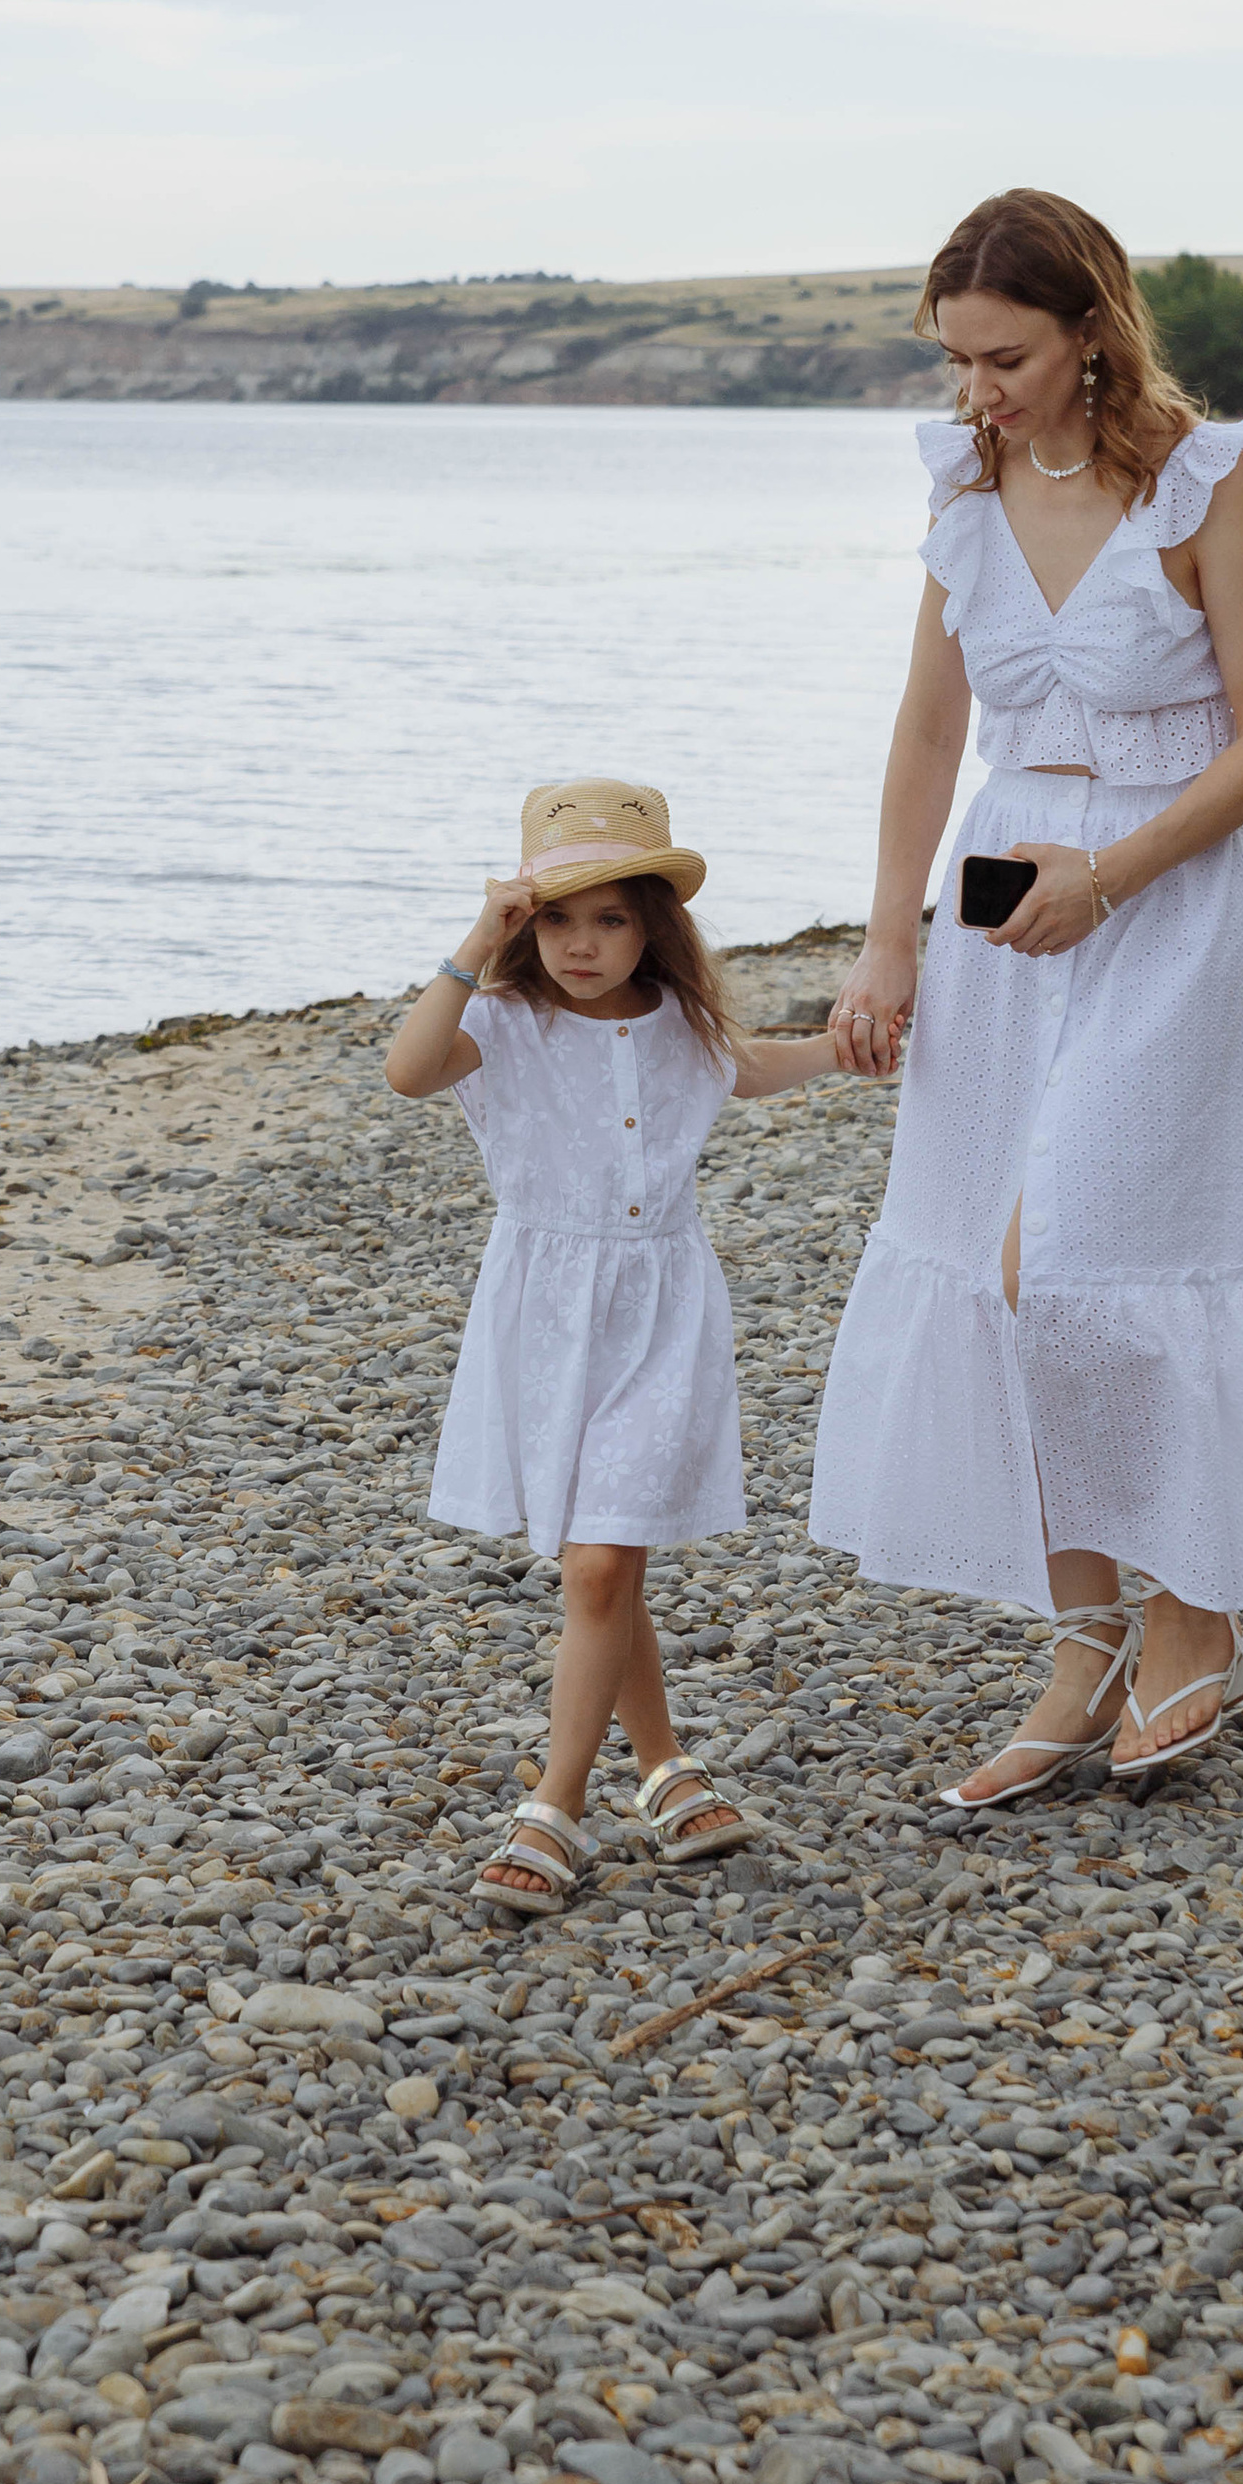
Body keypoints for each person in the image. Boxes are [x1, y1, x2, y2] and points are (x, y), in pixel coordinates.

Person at [810, 191, 1243, 1796]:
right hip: (1002, 893)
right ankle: (1089, 1642)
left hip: (1172, 901)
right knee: (996, 1283)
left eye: (1004, 357)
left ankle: (1197, 1616)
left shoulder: (1212, 482)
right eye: (957, 360)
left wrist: (1111, 875)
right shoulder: (964, 487)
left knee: (1100, 1255)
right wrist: (888, 941)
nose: (975, 390)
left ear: (1089, 333)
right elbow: (930, 738)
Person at [386, 778, 840, 1913]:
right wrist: (473, 943)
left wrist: (856, 1048)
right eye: (556, 919)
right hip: (541, 1314)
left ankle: (553, 1809)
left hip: (661, 1314)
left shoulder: (684, 1029)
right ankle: (667, 1767)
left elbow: (761, 1067)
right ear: (523, 928)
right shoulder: (500, 1025)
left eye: (612, 919)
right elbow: (404, 1070)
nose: (583, 945)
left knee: (599, 1560)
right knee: (608, 1551)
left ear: (654, 926)